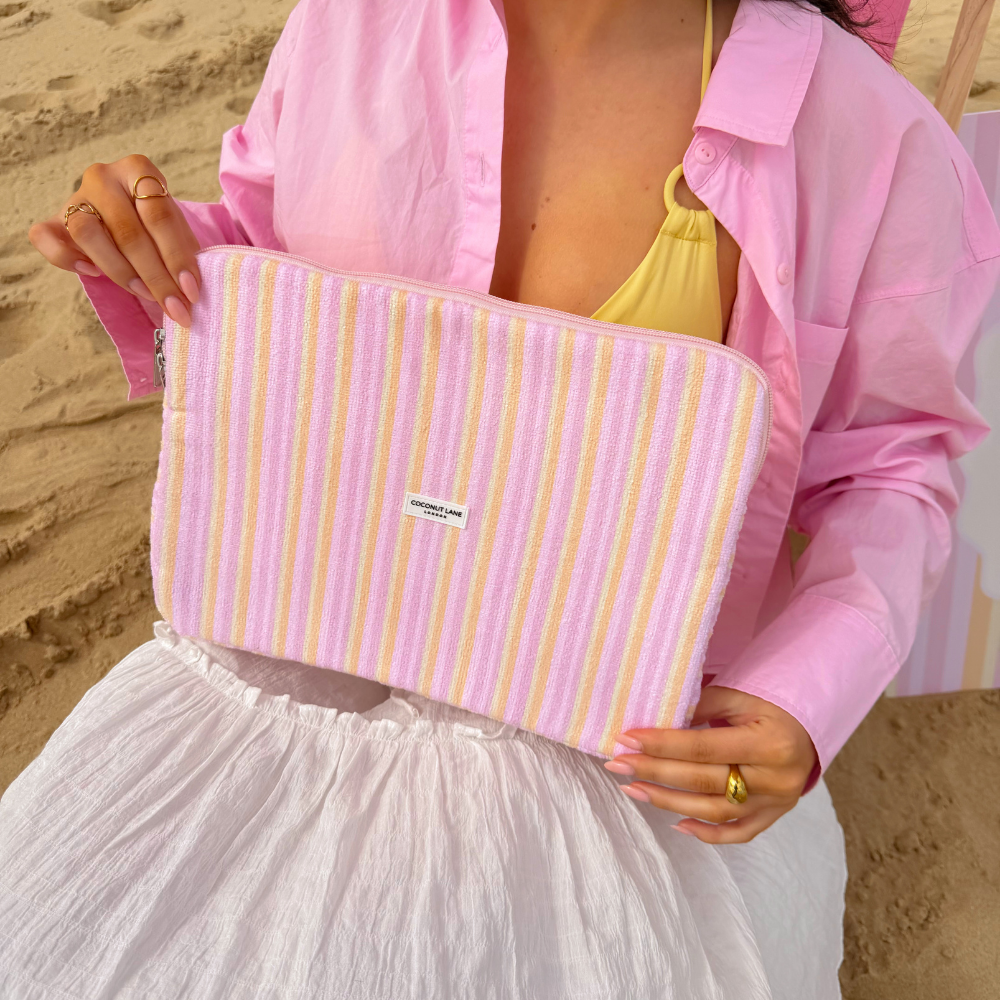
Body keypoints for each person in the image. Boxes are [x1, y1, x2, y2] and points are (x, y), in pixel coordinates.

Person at [4, 0, 998, 996]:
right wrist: (155, 245)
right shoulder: (349, 23)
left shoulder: (863, 132)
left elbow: (889, 466)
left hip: (612, 760)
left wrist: (801, 695)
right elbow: (272, 263)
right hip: (287, 676)